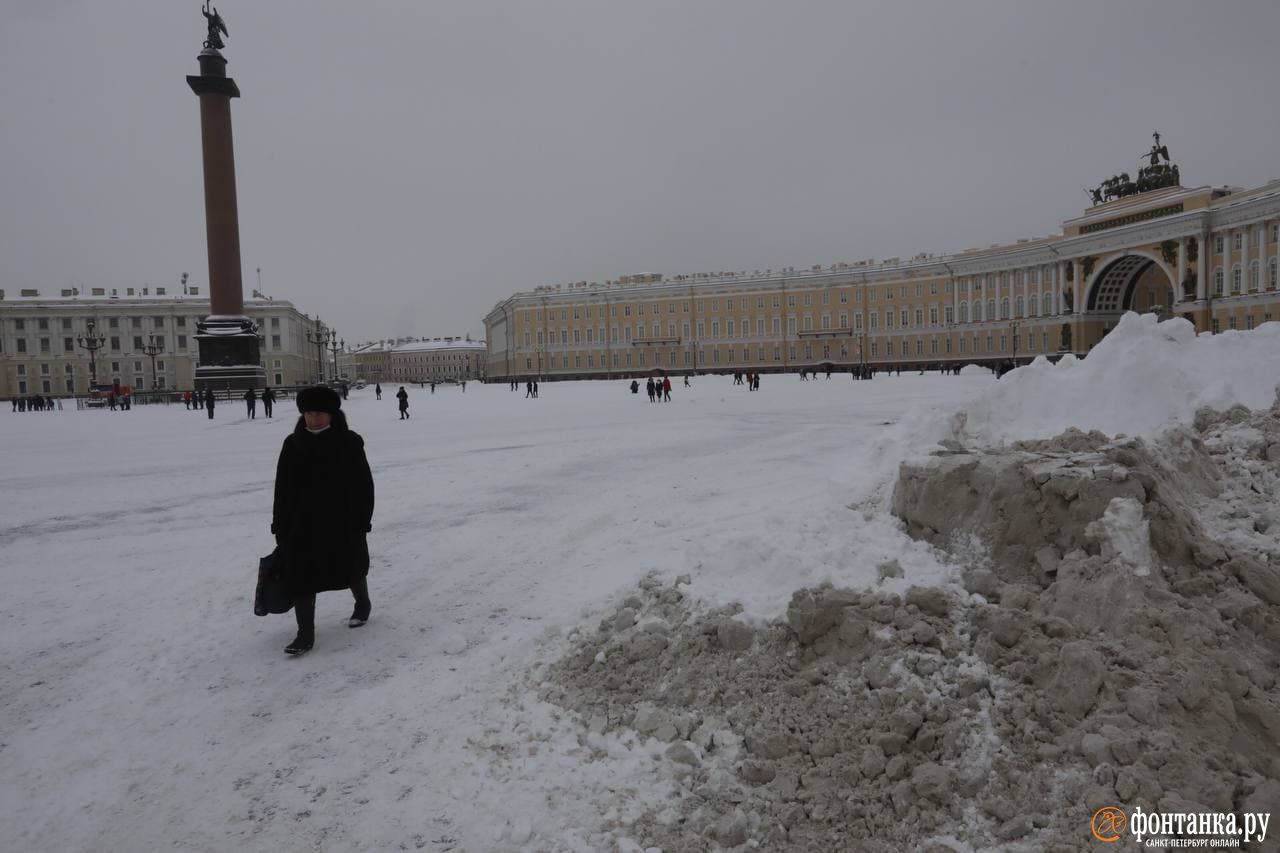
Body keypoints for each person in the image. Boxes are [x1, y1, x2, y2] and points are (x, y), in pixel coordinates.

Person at [271, 386, 375, 656]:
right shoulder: (292, 444)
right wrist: (279, 524)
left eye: (318, 414)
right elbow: (282, 487)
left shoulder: (350, 442)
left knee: (351, 568)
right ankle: (305, 634)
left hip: (341, 520)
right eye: (307, 414)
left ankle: (362, 604)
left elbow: (363, 484)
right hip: (302, 524)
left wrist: (362, 519)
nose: (312, 419)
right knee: (301, 576)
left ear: (331, 414)